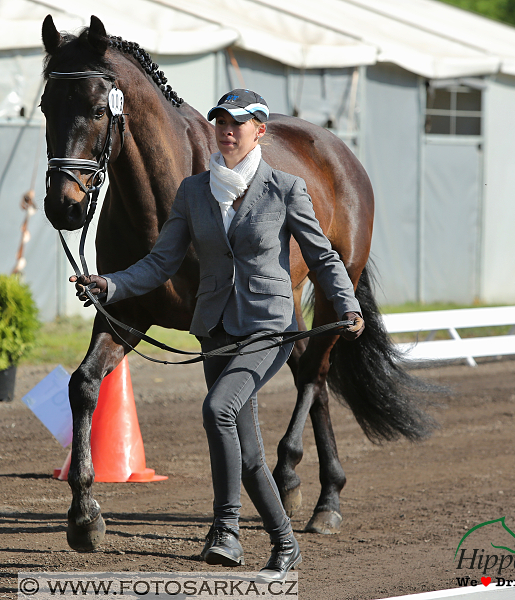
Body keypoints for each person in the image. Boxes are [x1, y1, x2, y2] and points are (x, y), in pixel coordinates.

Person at [71, 89, 364, 582]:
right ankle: (265, 541)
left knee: (217, 409)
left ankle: (240, 529)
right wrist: (110, 284)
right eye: (221, 123)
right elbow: (161, 262)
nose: (227, 131)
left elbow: (321, 257)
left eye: (238, 124)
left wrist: (349, 305)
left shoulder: (286, 188)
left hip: (269, 329)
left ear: (260, 132)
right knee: (245, 447)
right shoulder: (194, 192)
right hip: (214, 330)